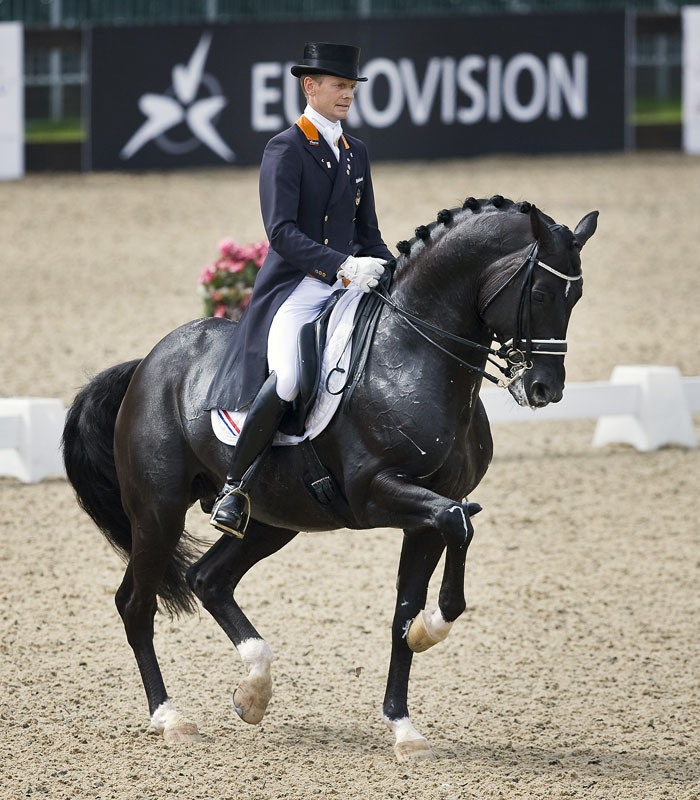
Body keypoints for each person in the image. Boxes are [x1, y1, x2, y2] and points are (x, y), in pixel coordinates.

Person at [204, 41, 393, 537]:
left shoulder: (355, 153)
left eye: (352, 87)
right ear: (310, 87)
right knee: (288, 376)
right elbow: (282, 233)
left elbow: (368, 231)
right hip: (299, 287)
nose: (348, 95)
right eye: (339, 86)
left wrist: (393, 270)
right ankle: (233, 486)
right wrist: (343, 266)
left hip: (347, 283)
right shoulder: (285, 149)